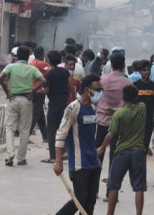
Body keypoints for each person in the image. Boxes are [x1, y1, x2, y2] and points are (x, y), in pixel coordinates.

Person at [53, 75, 103, 215]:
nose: (100, 92)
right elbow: (61, 134)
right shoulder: (73, 108)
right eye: (97, 89)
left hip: (93, 163)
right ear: (87, 90)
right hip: (79, 164)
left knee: (90, 202)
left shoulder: (93, 108)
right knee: (79, 199)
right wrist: (58, 161)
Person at [98, 85, 147, 215]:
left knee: (113, 185)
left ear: (122, 97)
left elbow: (110, 135)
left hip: (121, 152)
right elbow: (131, 107)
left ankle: (110, 213)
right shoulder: (142, 108)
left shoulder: (118, 115)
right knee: (139, 188)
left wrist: (102, 148)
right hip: (138, 151)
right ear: (136, 97)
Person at [0, 46, 45, 166]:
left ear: (17, 56)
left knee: (10, 128)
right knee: (24, 129)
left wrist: (7, 92)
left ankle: (10, 155)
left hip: (12, 98)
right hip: (26, 99)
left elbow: (0, 77)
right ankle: (21, 158)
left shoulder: (11, 67)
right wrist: (33, 90)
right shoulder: (32, 69)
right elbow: (43, 80)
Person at [95, 52, 131, 168]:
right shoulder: (128, 83)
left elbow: (94, 97)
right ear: (123, 66)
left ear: (111, 66)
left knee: (99, 148)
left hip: (102, 119)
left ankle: (95, 173)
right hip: (120, 121)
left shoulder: (101, 80)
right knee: (115, 150)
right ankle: (112, 177)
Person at [43, 50, 74, 163]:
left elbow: (46, 90)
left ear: (49, 61)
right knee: (64, 129)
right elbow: (71, 86)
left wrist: (43, 90)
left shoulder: (48, 74)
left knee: (51, 131)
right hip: (64, 104)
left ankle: (53, 156)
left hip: (53, 105)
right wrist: (73, 99)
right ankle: (64, 151)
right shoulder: (66, 72)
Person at [133, 60, 154, 156]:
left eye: (148, 70)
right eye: (144, 70)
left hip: (149, 116)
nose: (147, 72)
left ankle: (145, 148)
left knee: (147, 134)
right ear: (140, 72)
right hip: (137, 116)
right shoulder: (135, 85)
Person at [29, 46, 50, 141]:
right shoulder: (43, 64)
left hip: (31, 89)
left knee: (40, 114)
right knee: (36, 114)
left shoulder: (31, 63)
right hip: (39, 90)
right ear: (42, 54)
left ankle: (45, 136)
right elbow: (50, 71)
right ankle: (26, 135)